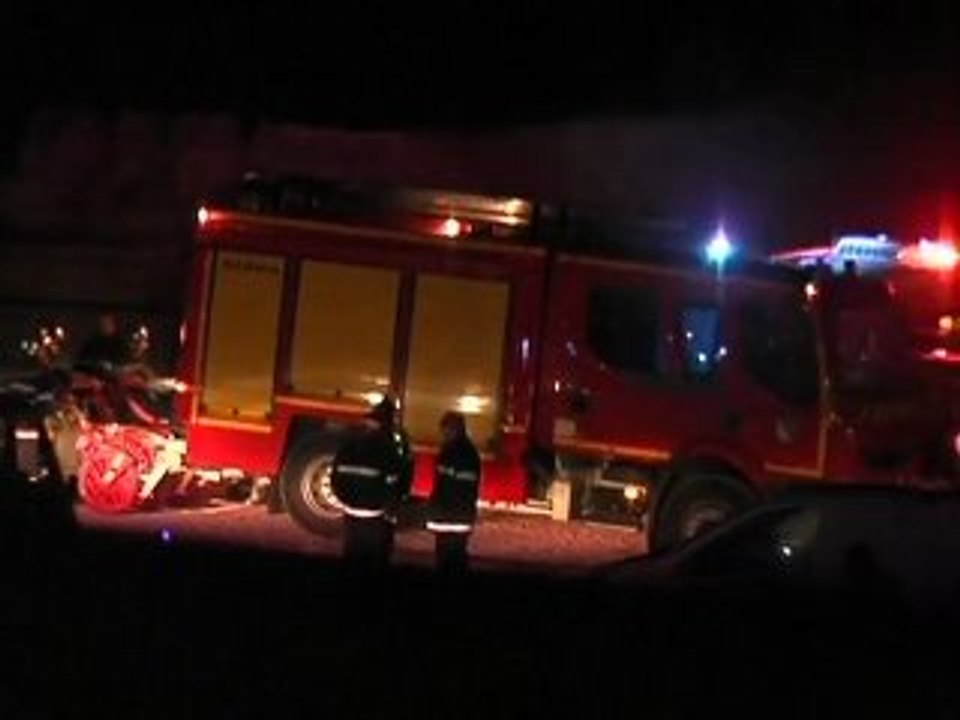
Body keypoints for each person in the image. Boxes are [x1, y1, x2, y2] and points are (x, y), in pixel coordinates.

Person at [330, 397, 412, 569]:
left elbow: (336, 479)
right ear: (387, 424)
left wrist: (347, 502)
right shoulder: (388, 451)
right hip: (376, 520)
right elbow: (397, 485)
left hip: (351, 517)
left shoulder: (348, 447)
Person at [426, 411, 482, 575]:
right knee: (456, 557)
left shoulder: (450, 452)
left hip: (448, 515)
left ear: (453, 429)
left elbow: (444, 486)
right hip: (461, 516)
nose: (442, 434)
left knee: (446, 560)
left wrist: (434, 508)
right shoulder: (470, 453)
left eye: (445, 430)